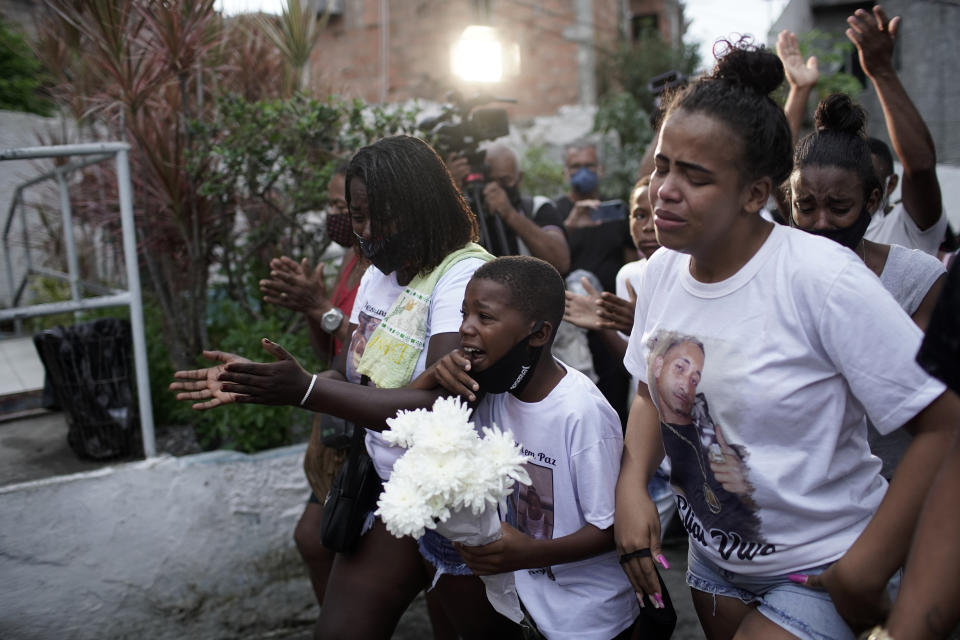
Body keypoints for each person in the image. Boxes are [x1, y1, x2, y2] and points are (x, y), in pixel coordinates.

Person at [613, 38, 958, 640]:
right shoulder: (663, 269)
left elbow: (944, 421)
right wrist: (632, 484)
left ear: (756, 195)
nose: (665, 189)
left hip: (822, 571)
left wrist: (867, 568)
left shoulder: (822, 279)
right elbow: (649, 387)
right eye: (664, 165)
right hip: (714, 568)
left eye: (695, 177)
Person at [170, 135, 520, 640]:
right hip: (391, 488)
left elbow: (440, 407)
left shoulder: (463, 274)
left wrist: (307, 390)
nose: (368, 231)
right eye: (358, 215)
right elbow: (354, 371)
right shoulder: (378, 275)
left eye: (382, 215)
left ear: (421, 204)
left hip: (457, 499)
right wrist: (262, 380)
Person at [411, 256, 660, 640]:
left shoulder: (580, 413)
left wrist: (525, 553)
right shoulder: (492, 392)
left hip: (591, 622)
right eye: (464, 314)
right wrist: (430, 375)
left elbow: (610, 527)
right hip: (529, 609)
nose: (465, 329)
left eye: (485, 317)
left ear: (539, 334)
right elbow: (411, 425)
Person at [788, 93, 947, 480]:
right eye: (805, 207)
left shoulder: (917, 279)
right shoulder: (768, 274)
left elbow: (934, 410)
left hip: (894, 491)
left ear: (872, 200)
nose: (821, 222)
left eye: (839, 207)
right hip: (797, 501)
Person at [256, 163, 371, 607]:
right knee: (312, 538)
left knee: (318, 537)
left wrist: (321, 306)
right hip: (341, 415)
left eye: (339, 206)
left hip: (371, 416)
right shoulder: (345, 258)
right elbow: (329, 351)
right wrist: (310, 308)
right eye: (326, 204)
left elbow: (375, 351)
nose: (331, 215)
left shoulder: (382, 267)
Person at [553, 141, 635, 425]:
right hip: (570, 327)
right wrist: (570, 226)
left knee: (615, 395)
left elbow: (632, 260)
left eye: (589, 166)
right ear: (565, 173)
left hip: (610, 320)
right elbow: (547, 258)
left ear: (600, 170)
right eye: (576, 167)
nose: (583, 173)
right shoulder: (556, 213)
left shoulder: (615, 213)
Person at [446, 143, 570, 274]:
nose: (494, 188)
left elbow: (560, 262)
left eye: (505, 180)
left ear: (519, 178)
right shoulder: (465, 212)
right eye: (488, 180)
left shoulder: (536, 207)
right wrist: (450, 192)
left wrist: (509, 214)